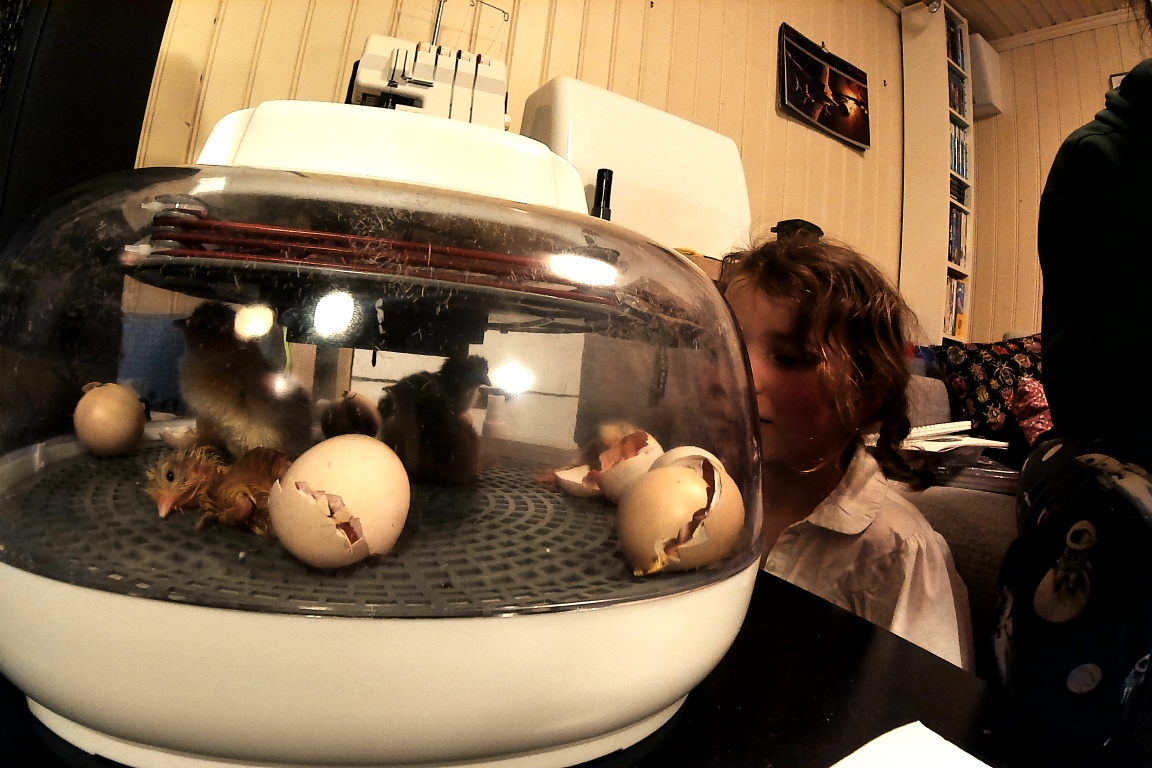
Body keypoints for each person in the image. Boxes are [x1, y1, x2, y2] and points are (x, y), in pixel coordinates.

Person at [721, 233, 973, 671]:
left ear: (865, 395)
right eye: (725, 344)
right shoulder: (705, 490)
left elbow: (927, 701)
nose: (738, 375)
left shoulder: (898, 552)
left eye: (789, 358)